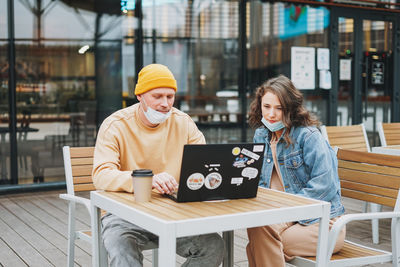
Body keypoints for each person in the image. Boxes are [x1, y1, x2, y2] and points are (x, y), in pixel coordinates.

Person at [92, 64, 225, 267]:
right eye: (157, 96)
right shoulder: (115, 125)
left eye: (170, 96)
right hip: (124, 215)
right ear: (140, 96)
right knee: (122, 249)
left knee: (214, 246)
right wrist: (147, 180)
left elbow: (204, 164)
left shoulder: (184, 122)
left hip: (172, 210)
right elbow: (101, 175)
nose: (165, 103)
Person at [246, 75, 346, 267]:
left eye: (279, 108)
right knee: (258, 229)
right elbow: (258, 182)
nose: (271, 115)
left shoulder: (308, 136)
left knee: (259, 242)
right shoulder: (261, 135)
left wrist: (286, 210)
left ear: (290, 108)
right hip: (281, 219)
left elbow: (325, 185)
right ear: (260, 106)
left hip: (322, 222)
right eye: (267, 107)